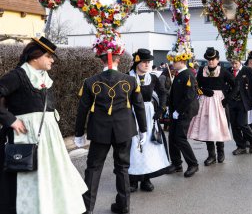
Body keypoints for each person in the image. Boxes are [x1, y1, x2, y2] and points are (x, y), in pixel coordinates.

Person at [0, 37, 87, 214]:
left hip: (48, 137)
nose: (52, 60)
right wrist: (10, 119)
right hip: (25, 137)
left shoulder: (45, 78)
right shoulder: (17, 75)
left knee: (50, 174)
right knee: (26, 176)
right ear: (35, 56)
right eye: (48, 56)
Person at [74, 45, 147, 214]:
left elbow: (82, 109)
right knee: (122, 168)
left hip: (100, 131)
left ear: (101, 60)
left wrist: (79, 133)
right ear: (118, 60)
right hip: (124, 130)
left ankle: (88, 208)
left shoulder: (90, 81)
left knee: (93, 168)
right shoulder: (130, 80)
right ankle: (124, 206)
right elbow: (139, 107)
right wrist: (143, 129)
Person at [128, 49, 170, 192]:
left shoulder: (152, 78)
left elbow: (163, 93)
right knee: (134, 146)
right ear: (137, 62)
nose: (147, 64)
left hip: (149, 115)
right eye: (144, 62)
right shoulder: (127, 77)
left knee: (147, 147)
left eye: (149, 62)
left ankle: (146, 179)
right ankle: (132, 179)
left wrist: (161, 110)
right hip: (131, 116)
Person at [187, 47, 234, 165]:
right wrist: (203, 90)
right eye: (209, 60)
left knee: (218, 127)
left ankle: (221, 152)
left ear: (218, 60)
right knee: (207, 127)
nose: (211, 62)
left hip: (219, 102)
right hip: (205, 102)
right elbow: (196, 86)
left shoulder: (223, 71)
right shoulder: (202, 69)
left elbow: (235, 85)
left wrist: (227, 99)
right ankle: (211, 155)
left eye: (213, 59)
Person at [167, 56, 199, 177]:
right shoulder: (179, 73)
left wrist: (178, 111)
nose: (172, 63)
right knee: (172, 137)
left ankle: (193, 164)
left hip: (185, 111)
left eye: (175, 61)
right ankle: (176, 164)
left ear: (182, 62)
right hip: (176, 111)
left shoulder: (188, 74)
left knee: (180, 137)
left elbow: (189, 96)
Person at [227, 58, 252, 155]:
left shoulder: (247, 70)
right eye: (232, 63)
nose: (234, 65)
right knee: (234, 125)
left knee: (242, 123)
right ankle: (241, 146)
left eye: (235, 63)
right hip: (232, 102)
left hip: (243, 101)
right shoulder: (228, 71)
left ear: (240, 62)